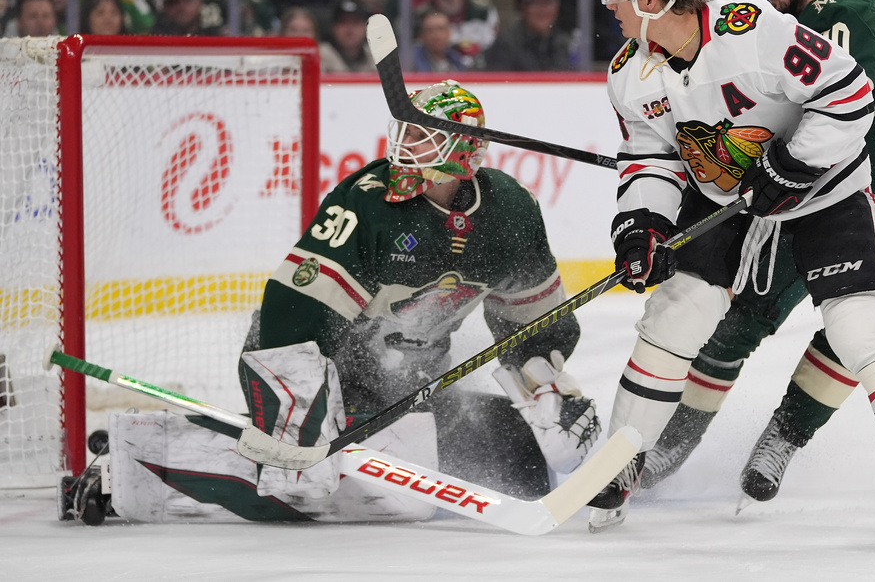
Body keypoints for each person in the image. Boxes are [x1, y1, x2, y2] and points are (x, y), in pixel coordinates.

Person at [587, 0, 875, 546]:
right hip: (729, 198)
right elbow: (651, 158)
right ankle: (620, 460)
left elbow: (849, 95)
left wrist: (794, 164)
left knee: (857, 323)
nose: (608, 2)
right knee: (677, 311)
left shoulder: (754, 30)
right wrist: (643, 224)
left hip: (826, 191)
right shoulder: (628, 72)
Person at [104, 81, 601, 522]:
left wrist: (547, 389)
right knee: (307, 480)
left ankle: (254, 455)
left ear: (464, 151)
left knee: (521, 463)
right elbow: (293, 305)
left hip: (409, 389)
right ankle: (136, 459)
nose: (405, 145)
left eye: (424, 135)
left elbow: (536, 321)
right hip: (312, 367)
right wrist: (300, 410)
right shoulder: (369, 201)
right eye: (406, 131)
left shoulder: (510, 211)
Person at [484, 0, 577, 71]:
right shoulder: (506, 43)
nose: (542, 10)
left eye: (547, 3)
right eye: (535, 3)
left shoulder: (566, 44)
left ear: (557, 7)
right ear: (523, 7)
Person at [320, 0, 375, 73]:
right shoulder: (319, 56)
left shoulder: (375, 57)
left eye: (355, 23)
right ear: (333, 28)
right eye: (343, 22)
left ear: (365, 28)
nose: (349, 29)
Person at [411, 8, 468, 72]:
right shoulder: (409, 62)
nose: (436, 36)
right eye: (430, 30)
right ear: (422, 35)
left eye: (441, 29)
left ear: (449, 33)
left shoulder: (458, 59)